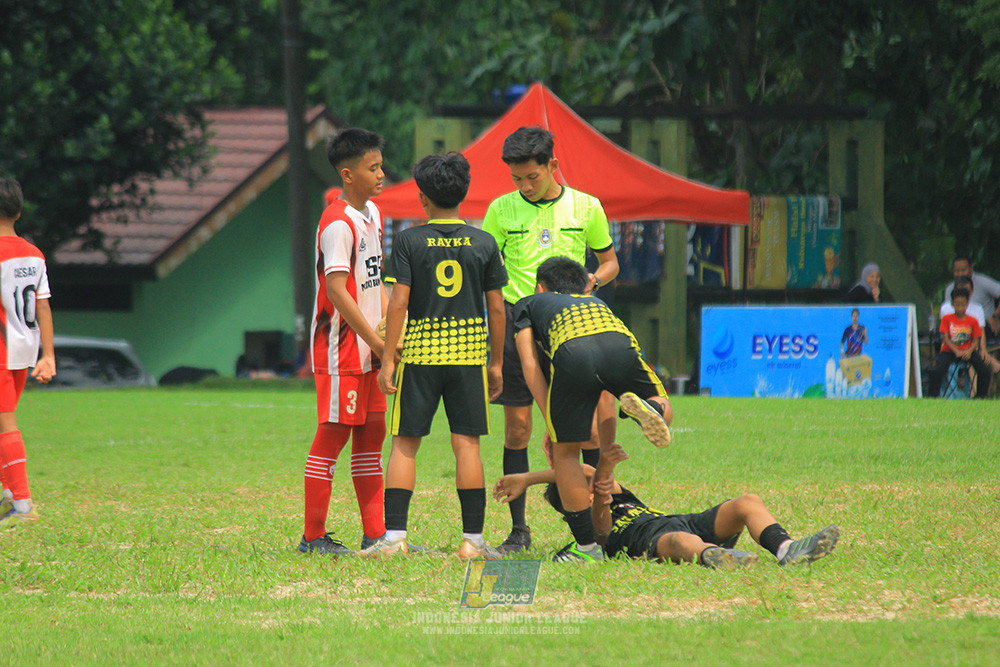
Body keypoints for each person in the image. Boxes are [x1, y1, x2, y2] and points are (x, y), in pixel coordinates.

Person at [363, 153, 508, 559]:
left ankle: (394, 539)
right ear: (463, 194)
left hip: (421, 357)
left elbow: (398, 303)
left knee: (404, 445)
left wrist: (389, 359)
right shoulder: (484, 242)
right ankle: (472, 542)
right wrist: (496, 363)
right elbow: (497, 309)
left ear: (423, 197)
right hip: (468, 356)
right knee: (468, 446)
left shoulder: (410, 241)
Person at [482, 125, 620, 553]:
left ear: (553, 165)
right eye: (516, 179)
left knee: (589, 433)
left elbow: (610, 262)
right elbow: (487, 271)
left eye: (532, 177)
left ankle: (599, 525)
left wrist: (593, 281)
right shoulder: (500, 210)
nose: (524, 186)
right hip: (517, 322)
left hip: (569, 325)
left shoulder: (587, 206)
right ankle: (518, 531)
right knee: (518, 429)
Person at [513, 256, 672, 562]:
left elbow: (530, 365)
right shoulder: (597, 303)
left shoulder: (529, 303)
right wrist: (608, 444)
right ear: (583, 285)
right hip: (620, 343)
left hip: (573, 349)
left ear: (540, 287)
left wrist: (552, 421)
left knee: (566, 453)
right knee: (662, 402)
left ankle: (586, 548)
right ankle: (649, 408)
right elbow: (605, 396)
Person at [493, 443, 840, 568]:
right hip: (654, 539)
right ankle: (721, 558)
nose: (592, 481)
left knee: (747, 502)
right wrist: (600, 487)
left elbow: (582, 469)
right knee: (677, 542)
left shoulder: (618, 495)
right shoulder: (590, 531)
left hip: (683, 520)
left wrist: (526, 478)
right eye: (584, 487)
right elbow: (600, 526)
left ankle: (786, 548)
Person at [299, 129, 389, 556]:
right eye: (373, 168)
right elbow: (337, 290)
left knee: (373, 436)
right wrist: (376, 340)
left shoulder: (374, 213)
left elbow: (375, 280)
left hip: (371, 349)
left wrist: (390, 331)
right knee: (332, 437)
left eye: (381, 165)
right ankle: (312, 538)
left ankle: (377, 535)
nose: (382, 174)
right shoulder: (337, 222)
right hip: (341, 350)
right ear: (348, 175)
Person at [0, 178, 56, 526]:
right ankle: (9, 494)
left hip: (0, 348)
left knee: (6, 424)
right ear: (19, 212)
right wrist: (48, 355)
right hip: (24, 348)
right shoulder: (34, 254)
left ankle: (22, 505)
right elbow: (43, 306)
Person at [927, 287, 994, 398]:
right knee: (937, 371)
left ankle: (981, 396)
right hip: (950, 350)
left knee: (984, 370)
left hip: (968, 350)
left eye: (963, 305)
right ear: (952, 304)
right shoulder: (947, 319)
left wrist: (970, 351)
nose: (960, 308)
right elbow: (946, 338)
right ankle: (932, 396)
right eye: (957, 305)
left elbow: (976, 339)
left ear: (967, 304)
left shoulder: (972, 320)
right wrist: (956, 351)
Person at [940, 277, 1000, 374]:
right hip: (952, 346)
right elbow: (946, 335)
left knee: (982, 367)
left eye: (966, 291)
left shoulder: (977, 308)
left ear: (972, 292)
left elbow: (980, 332)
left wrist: (983, 349)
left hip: (971, 345)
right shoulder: (946, 308)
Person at [942, 256, 1000, 337]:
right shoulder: (949, 289)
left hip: (985, 327)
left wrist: (994, 316)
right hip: (958, 328)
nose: (960, 274)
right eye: (957, 271)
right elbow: (949, 313)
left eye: (963, 270)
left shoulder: (983, 282)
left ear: (971, 269)